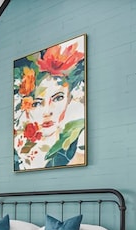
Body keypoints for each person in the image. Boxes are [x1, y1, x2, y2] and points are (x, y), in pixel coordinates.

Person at [13, 38, 85, 171]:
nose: (47, 112)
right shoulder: (17, 153)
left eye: (58, 98)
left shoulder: (78, 143)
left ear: (69, 99)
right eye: (36, 103)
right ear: (25, 108)